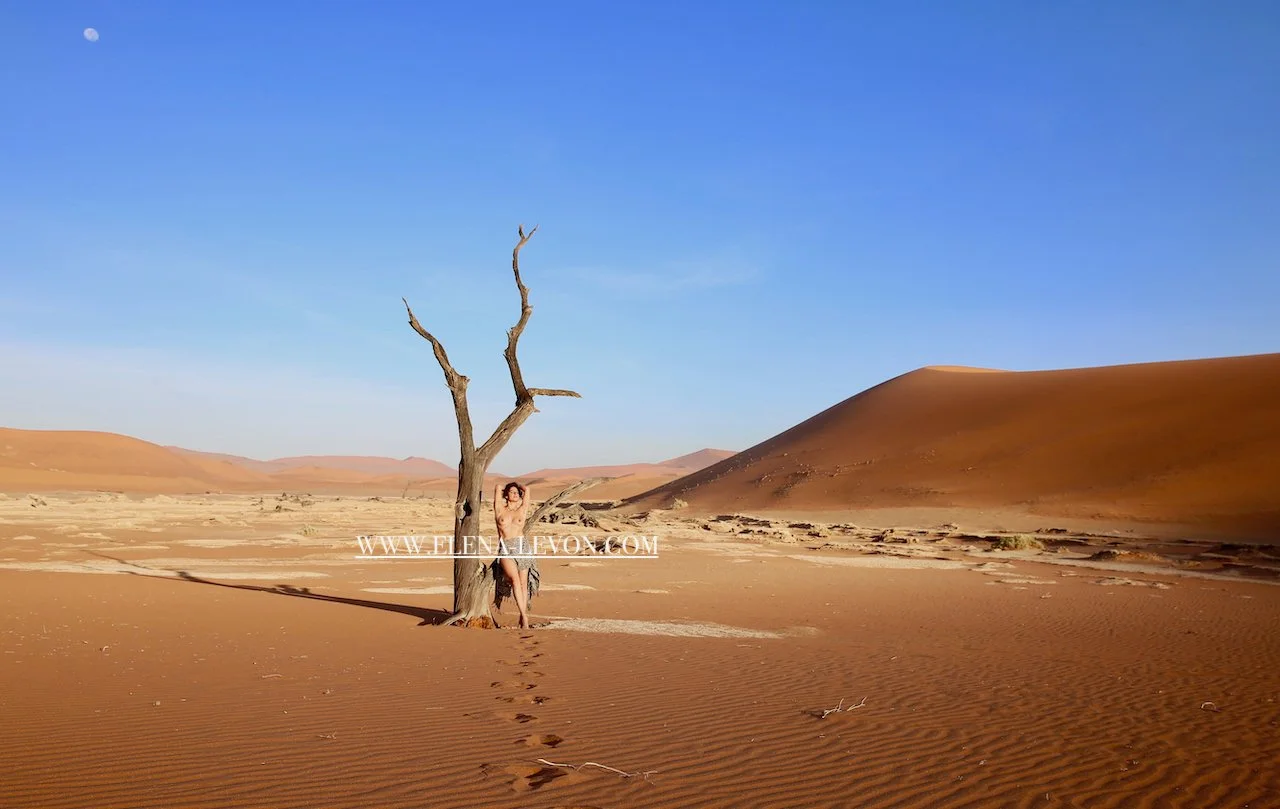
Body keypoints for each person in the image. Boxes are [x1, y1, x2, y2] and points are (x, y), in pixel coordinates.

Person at [493, 481, 537, 629]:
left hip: (522, 547)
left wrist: (519, 487)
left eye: (517, 493)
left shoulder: (522, 510)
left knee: (523, 583)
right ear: (506, 495)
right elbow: (498, 488)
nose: (515, 494)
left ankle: (523, 615)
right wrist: (507, 488)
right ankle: (524, 616)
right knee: (514, 580)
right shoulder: (499, 509)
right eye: (511, 492)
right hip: (505, 547)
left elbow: (528, 489)